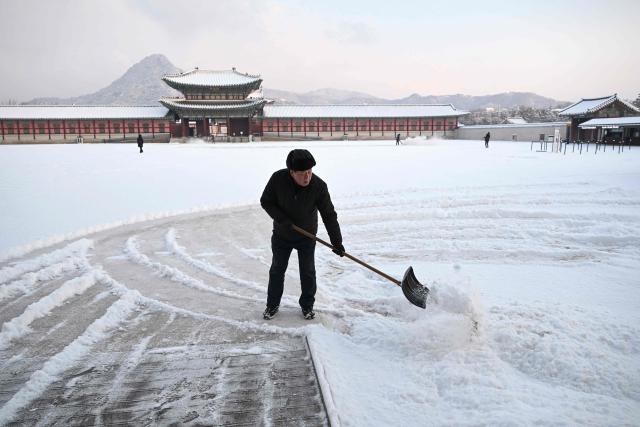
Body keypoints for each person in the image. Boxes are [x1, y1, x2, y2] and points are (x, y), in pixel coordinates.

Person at [260, 149, 344, 320]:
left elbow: (329, 214)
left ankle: (307, 306)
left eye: (309, 172)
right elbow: (266, 201)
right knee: (277, 270)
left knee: (307, 271)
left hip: (307, 236)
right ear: (291, 172)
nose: (307, 177)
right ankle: (272, 304)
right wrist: (282, 219)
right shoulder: (278, 179)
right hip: (282, 235)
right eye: (302, 173)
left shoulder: (319, 186)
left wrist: (336, 241)